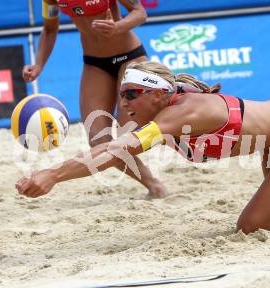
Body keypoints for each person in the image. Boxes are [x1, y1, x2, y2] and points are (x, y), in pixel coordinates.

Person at [16, 61, 270, 234]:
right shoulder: (165, 104)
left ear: (157, 95)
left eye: (131, 94)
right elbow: (111, 148)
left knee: (250, 226)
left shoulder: (181, 113)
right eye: (121, 94)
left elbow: (116, 151)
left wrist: (53, 174)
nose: (123, 102)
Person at [22, 0, 166, 198]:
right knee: (98, 140)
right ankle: (154, 185)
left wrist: (118, 27)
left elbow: (139, 12)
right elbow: (49, 29)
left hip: (129, 57)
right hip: (95, 63)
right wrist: (38, 65)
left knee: (129, 135)